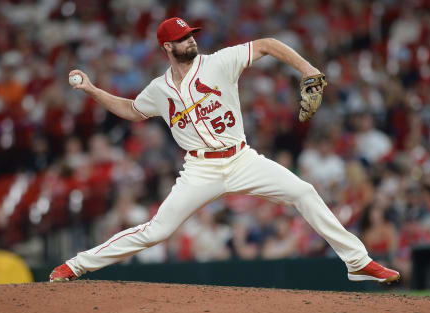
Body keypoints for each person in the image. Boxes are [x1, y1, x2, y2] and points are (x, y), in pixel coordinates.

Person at [50, 17, 400, 283]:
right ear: (167, 48)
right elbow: (130, 110)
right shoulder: (159, 90)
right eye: (181, 39)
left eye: (190, 35)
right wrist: (93, 90)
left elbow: (266, 44)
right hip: (200, 170)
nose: (189, 41)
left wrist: (307, 68)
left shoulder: (219, 62)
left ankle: (357, 263)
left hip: (242, 158)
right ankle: (75, 265)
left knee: (304, 192)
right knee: (156, 231)